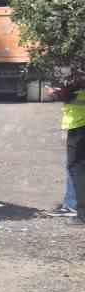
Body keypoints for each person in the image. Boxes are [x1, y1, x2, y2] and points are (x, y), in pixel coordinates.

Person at [48, 76, 85, 223]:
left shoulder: (78, 72)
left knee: (76, 167)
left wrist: (57, 92)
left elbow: (70, 92)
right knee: (76, 167)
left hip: (80, 122)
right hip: (78, 122)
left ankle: (81, 213)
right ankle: (71, 203)